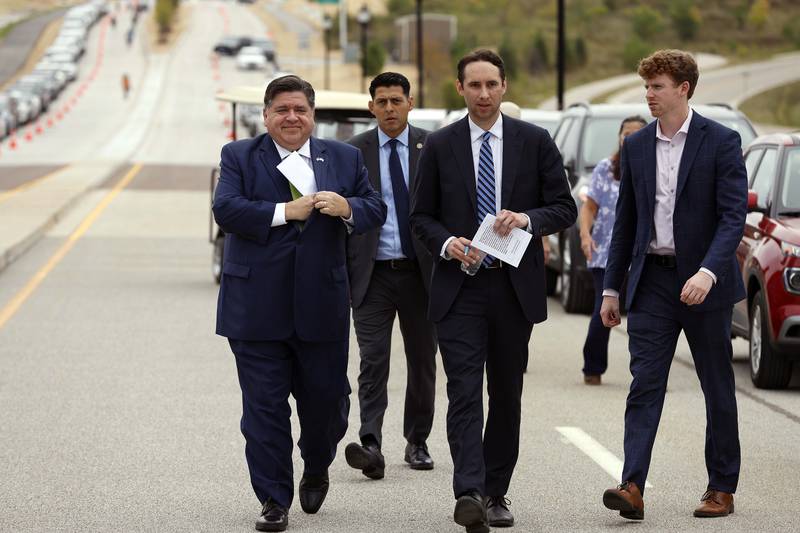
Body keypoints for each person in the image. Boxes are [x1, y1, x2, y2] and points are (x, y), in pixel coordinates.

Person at [410, 49, 576, 532]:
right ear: (459, 89)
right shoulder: (439, 146)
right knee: (464, 391)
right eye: (474, 86)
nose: (483, 94)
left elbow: (562, 207)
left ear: (505, 87)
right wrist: (446, 243)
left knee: (506, 394)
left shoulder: (534, 141)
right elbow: (420, 216)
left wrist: (526, 219)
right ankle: (469, 491)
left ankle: (496, 491)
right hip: (459, 289)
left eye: (491, 85)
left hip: (512, 289)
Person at [213, 75, 386, 532]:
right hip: (255, 311)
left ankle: (316, 464)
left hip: (322, 306)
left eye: (301, 110)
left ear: (313, 116)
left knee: (327, 406)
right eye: (282, 110)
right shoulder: (239, 156)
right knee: (264, 410)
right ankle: (274, 499)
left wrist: (346, 206)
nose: (292, 117)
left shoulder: (344, 157)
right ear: (266, 114)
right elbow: (226, 209)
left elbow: (375, 208)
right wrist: (284, 212)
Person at [600, 49, 747, 521]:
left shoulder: (721, 141)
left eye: (657, 87)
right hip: (653, 284)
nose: (649, 95)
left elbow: (732, 218)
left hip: (705, 283)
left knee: (717, 385)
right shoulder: (637, 145)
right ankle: (632, 485)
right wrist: (610, 289)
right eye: (646, 87)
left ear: (683, 89)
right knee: (644, 384)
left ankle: (721, 487)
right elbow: (626, 223)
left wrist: (708, 272)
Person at [343, 72, 437, 479]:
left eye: (396, 101)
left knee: (422, 360)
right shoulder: (352, 152)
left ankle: (417, 441)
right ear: (371, 107)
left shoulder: (432, 146)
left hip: (422, 274)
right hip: (372, 275)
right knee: (373, 360)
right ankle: (371, 443)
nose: (389, 109)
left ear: (410, 103)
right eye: (381, 102)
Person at [579, 115, 647, 385]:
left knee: (645, 317)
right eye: (625, 133)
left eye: (635, 133)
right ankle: (592, 367)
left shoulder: (652, 167)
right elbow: (590, 207)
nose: (628, 137)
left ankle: (648, 373)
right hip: (606, 252)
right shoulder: (605, 168)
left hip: (643, 254)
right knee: (604, 309)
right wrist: (585, 235)